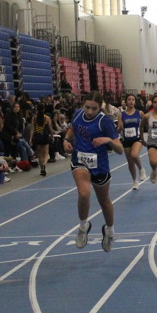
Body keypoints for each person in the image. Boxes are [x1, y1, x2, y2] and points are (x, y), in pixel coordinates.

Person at [62, 93, 123, 251]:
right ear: (83, 104)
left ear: (100, 107)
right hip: (79, 160)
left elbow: (120, 149)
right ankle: (83, 227)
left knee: (104, 201)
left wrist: (108, 140)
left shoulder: (105, 121)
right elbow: (72, 129)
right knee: (84, 193)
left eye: (94, 108)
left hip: (99, 166)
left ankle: (109, 230)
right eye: (87, 107)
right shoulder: (77, 114)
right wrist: (66, 140)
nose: (89, 111)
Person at [117, 93, 145, 189]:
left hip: (137, 138)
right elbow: (118, 129)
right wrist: (119, 127)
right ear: (126, 102)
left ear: (135, 102)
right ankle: (134, 181)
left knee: (134, 155)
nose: (131, 101)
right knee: (130, 162)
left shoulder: (139, 113)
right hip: (126, 139)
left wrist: (145, 136)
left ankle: (141, 169)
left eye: (133, 99)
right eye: (129, 99)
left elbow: (146, 123)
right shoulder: (121, 114)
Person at [31, 103, 54, 177]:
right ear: (44, 109)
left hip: (37, 137)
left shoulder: (34, 118)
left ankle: (41, 168)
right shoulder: (47, 118)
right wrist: (52, 136)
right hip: (45, 136)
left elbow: (33, 129)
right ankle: (44, 165)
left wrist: (31, 138)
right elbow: (50, 129)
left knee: (40, 154)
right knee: (46, 154)